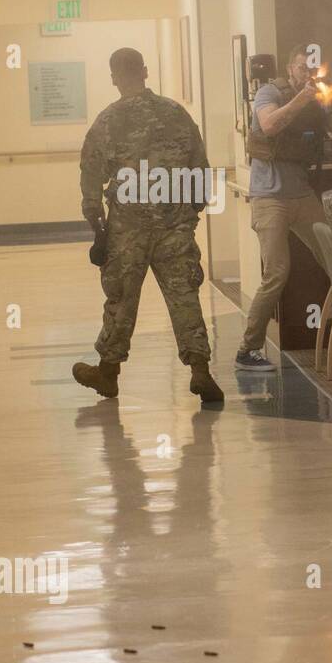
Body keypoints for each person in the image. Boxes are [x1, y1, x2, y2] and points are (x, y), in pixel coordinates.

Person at [74, 47, 223, 403]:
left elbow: (91, 177)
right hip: (174, 224)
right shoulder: (176, 113)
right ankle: (201, 370)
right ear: (145, 71)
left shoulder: (108, 121)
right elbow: (201, 167)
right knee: (184, 295)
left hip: (129, 227)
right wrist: (189, 214)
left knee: (122, 298)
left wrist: (98, 226)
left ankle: (108, 373)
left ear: (113, 78)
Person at [236, 44, 332, 371]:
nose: (307, 74)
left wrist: (329, 107)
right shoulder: (268, 93)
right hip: (269, 197)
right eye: (302, 68)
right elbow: (270, 125)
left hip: (302, 196)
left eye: (312, 70)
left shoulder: (318, 100)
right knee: (276, 273)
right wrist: (303, 97)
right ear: (291, 68)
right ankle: (248, 349)